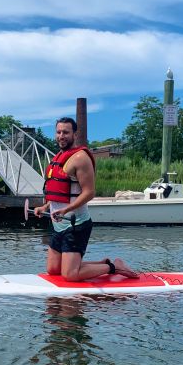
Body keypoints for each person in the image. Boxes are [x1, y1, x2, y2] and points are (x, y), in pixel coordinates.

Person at [34, 117, 140, 281]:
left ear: (74, 134)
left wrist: (67, 209)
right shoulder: (57, 158)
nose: (62, 136)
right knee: (53, 270)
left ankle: (114, 267)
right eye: (59, 132)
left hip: (76, 224)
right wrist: (45, 207)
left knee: (70, 275)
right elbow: (59, 192)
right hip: (58, 225)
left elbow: (89, 192)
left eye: (66, 132)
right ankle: (101, 262)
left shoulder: (80, 158)